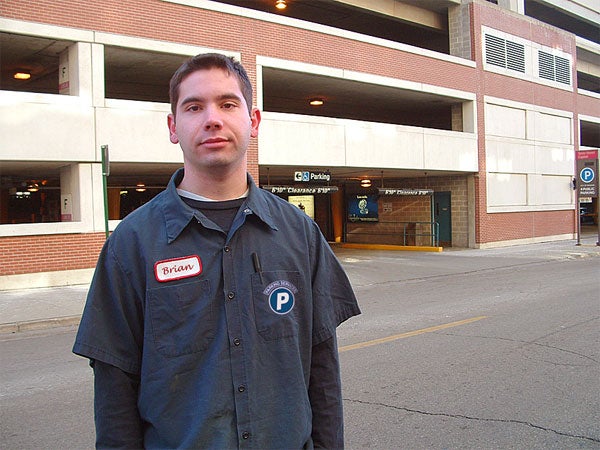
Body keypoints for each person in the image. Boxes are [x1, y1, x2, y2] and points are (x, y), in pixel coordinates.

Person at [73, 53, 361, 449]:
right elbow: (114, 387)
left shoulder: (300, 234)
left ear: (253, 120)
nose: (212, 118)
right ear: (174, 127)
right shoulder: (132, 243)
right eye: (194, 107)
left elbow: (323, 370)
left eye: (228, 104)